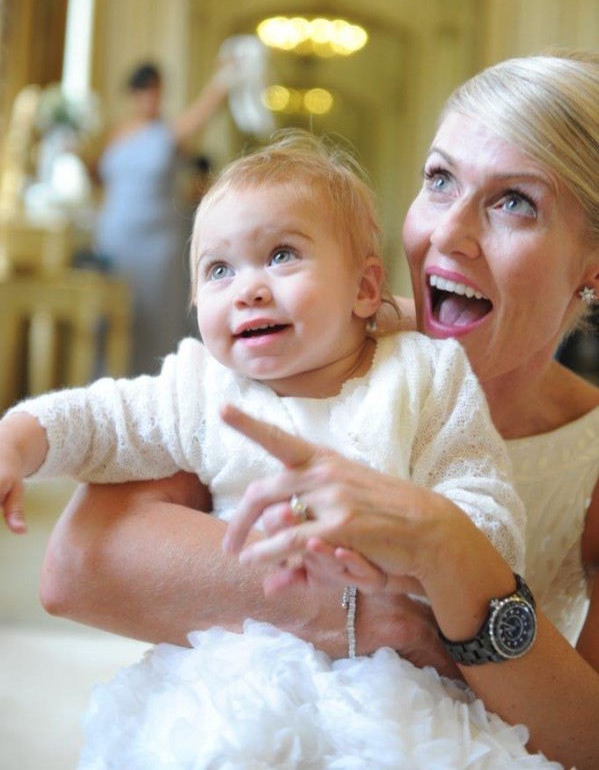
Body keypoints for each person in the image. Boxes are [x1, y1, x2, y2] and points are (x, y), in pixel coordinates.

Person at [37, 52, 599, 768]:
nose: (445, 235)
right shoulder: (299, 354)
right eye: (438, 180)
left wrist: (450, 550)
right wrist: (383, 615)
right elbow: (78, 564)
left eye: (513, 201)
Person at [94, 60, 230, 376]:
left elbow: (206, 109)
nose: (151, 97)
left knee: (156, 320)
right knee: (112, 320)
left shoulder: (171, 132)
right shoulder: (117, 133)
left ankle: (153, 392)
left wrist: (223, 76)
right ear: (132, 94)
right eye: (144, 90)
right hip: (115, 239)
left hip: (157, 244)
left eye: (156, 90)